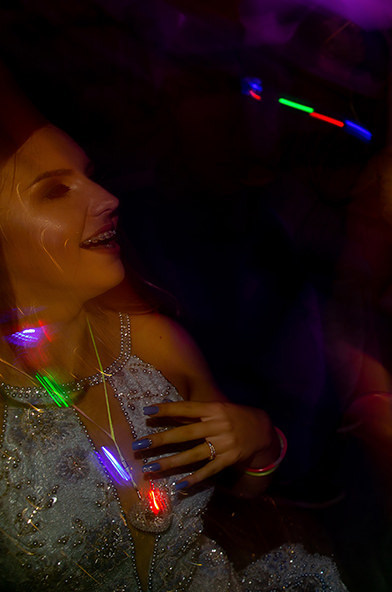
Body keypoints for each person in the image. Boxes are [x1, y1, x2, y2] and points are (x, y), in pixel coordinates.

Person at [0, 85, 345, 590]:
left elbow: (241, 489)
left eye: (89, 177)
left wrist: (261, 441)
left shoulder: (155, 344)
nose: (107, 198)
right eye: (55, 190)